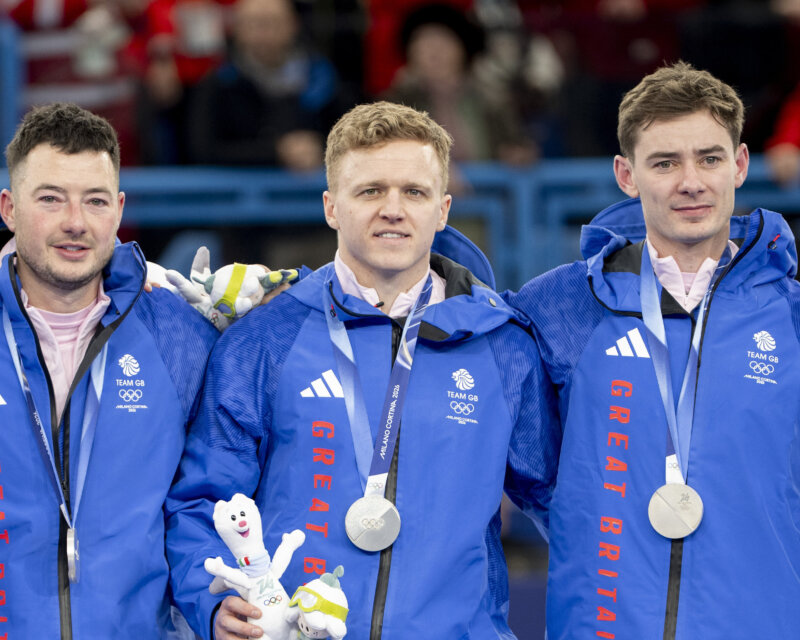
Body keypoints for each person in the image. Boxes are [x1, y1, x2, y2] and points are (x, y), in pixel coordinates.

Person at [164, 100, 559, 639]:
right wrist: (210, 606)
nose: (392, 209)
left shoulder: (502, 343)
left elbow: (568, 505)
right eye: (370, 190)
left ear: (442, 210)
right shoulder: (265, 337)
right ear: (331, 206)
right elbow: (200, 500)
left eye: (414, 192)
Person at [507, 61, 800, 638]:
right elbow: (518, 455)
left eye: (710, 158)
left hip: (762, 618)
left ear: (740, 165)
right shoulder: (561, 305)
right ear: (626, 174)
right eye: (664, 162)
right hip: (606, 621)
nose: (690, 181)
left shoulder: (791, 313)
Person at [0, 102, 219, 638]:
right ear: (9, 207)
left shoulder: (181, 336)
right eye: (50, 199)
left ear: (119, 210)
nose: (75, 222)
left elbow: (207, 505)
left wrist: (212, 607)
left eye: (94, 201)